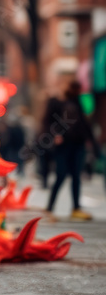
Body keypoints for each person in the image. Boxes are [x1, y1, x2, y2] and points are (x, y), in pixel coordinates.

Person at [45, 81, 101, 221]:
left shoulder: (78, 104)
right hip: (64, 146)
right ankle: (50, 208)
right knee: (61, 175)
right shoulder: (58, 103)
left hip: (77, 145)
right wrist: (55, 135)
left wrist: (94, 145)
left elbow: (85, 125)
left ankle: (76, 207)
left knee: (76, 176)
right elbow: (48, 121)